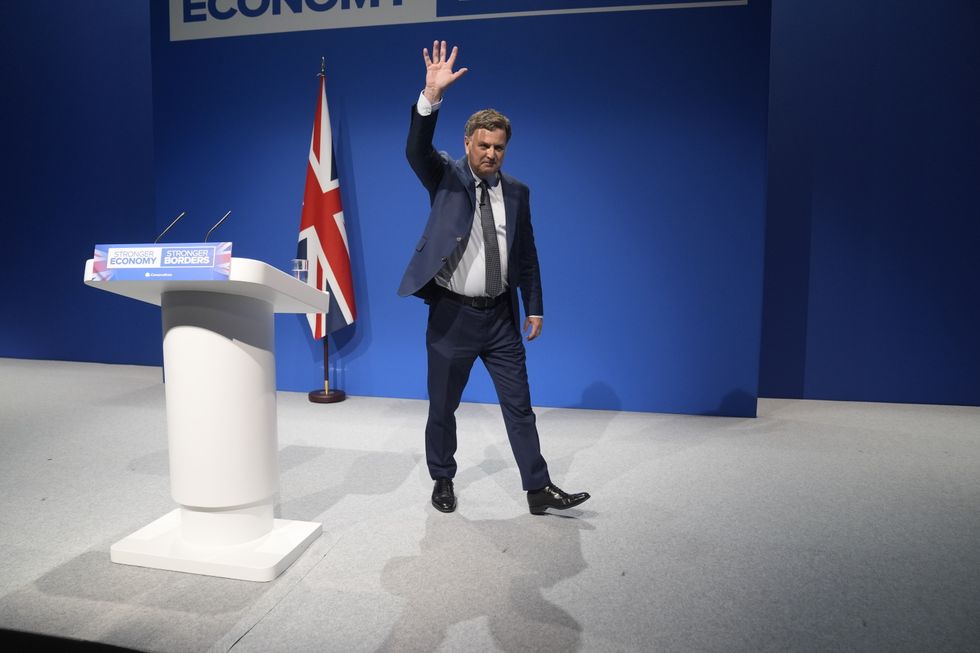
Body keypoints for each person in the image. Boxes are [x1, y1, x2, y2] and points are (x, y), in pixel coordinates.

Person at [398, 41, 590, 515]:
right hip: (452, 316)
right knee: (443, 408)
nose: (490, 153)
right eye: (482, 145)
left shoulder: (519, 193)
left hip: (500, 319)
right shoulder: (445, 176)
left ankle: (538, 489)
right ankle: (443, 478)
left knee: (519, 406)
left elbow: (526, 254)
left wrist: (535, 305)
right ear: (467, 144)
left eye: (498, 147)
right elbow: (416, 149)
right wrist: (430, 97)